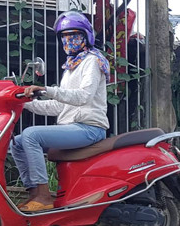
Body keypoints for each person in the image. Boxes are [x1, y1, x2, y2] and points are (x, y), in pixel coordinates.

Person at [12, 11, 110, 212]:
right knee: (17, 143)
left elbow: (83, 96)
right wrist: (22, 103)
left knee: (31, 135)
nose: (68, 39)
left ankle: (44, 196)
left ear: (86, 36)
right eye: (64, 36)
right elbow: (59, 106)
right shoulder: (72, 66)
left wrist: (46, 90)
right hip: (72, 127)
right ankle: (34, 194)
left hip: (89, 128)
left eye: (73, 34)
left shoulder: (92, 60)